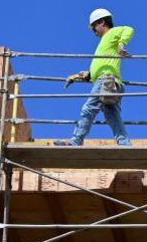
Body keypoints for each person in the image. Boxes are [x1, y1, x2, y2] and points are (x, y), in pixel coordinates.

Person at [55, 9, 133, 146]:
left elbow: (128, 29)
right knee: (112, 115)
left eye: (93, 27)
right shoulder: (104, 44)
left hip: (106, 81)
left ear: (102, 22)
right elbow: (95, 69)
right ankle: (124, 143)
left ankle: (75, 141)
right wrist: (77, 76)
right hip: (111, 82)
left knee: (88, 109)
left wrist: (121, 44)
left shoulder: (112, 33)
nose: (93, 30)